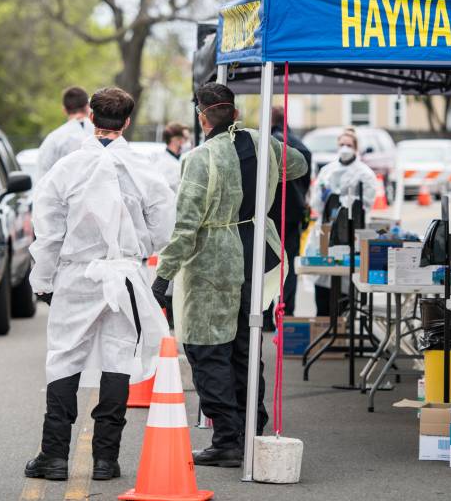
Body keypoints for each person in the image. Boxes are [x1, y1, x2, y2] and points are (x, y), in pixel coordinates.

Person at [24, 87, 174, 483]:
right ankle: (106, 459)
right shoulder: (144, 169)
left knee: (64, 356)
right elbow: (164, 226)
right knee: (118, 359)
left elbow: (48, 231)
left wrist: (42, 279)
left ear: (91, 117)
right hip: (125, 273)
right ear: (126, 122)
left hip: (77, 274)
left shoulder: (67, 169)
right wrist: (138, 248)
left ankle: (54, 454)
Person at [154, 83, 307, 467]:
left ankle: (226, 439)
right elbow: (300, 164)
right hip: (258, 253)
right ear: (235, 113)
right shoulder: (260, 142)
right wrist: (267, 168)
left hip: (214, 262)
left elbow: (186, 226)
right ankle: (251, 429)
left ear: (201, 116)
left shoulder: (199, 159)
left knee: (207, 350)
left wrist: (163, 276)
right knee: (245, 343)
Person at [310, 128, 377, 316]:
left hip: (350, 235)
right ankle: (324, 326)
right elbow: (316, 202)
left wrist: (345, 201)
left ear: (356, 148)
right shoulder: (327, 171)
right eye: (341, 145)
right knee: (323, 282)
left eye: (349, 145)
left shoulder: (364, 173)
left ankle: (342, 328)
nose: (344, 148)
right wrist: (324, 196)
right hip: (325, 231)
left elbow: (366, 204)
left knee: (344, 285)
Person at [263, 106, 311, 330]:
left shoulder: (265, 143)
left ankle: (263, 317)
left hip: (267, 214)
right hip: (292, 214)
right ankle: (286, 312)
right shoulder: (300, 147)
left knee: (265, 266)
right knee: (288, 266)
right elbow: (306, 179)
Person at [37, 86, 95, 175]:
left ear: (64, 110)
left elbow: (42, 174)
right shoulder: (103, 135)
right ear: (88, 107)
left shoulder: (54, 138)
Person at [156, 122, 190, 193]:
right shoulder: (162, 163)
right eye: (186, 138)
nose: (188, 142)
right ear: (175, 139)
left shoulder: (185, 158)